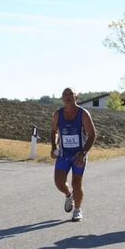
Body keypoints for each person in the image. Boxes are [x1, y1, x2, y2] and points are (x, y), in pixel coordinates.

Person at [50, 87, 96, 222]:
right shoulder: (58, 114)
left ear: (76, 97)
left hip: (78, 155)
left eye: (71, 94)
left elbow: (93, 135)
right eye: (65, 94)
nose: (68, 96)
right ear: (62, 98)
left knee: (76, 183)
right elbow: (53, 131)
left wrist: (83, 152)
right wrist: (53, 147)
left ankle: (77, 210)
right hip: (63, 154)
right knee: (59, 182)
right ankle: (68, 194)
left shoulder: (83, 114)